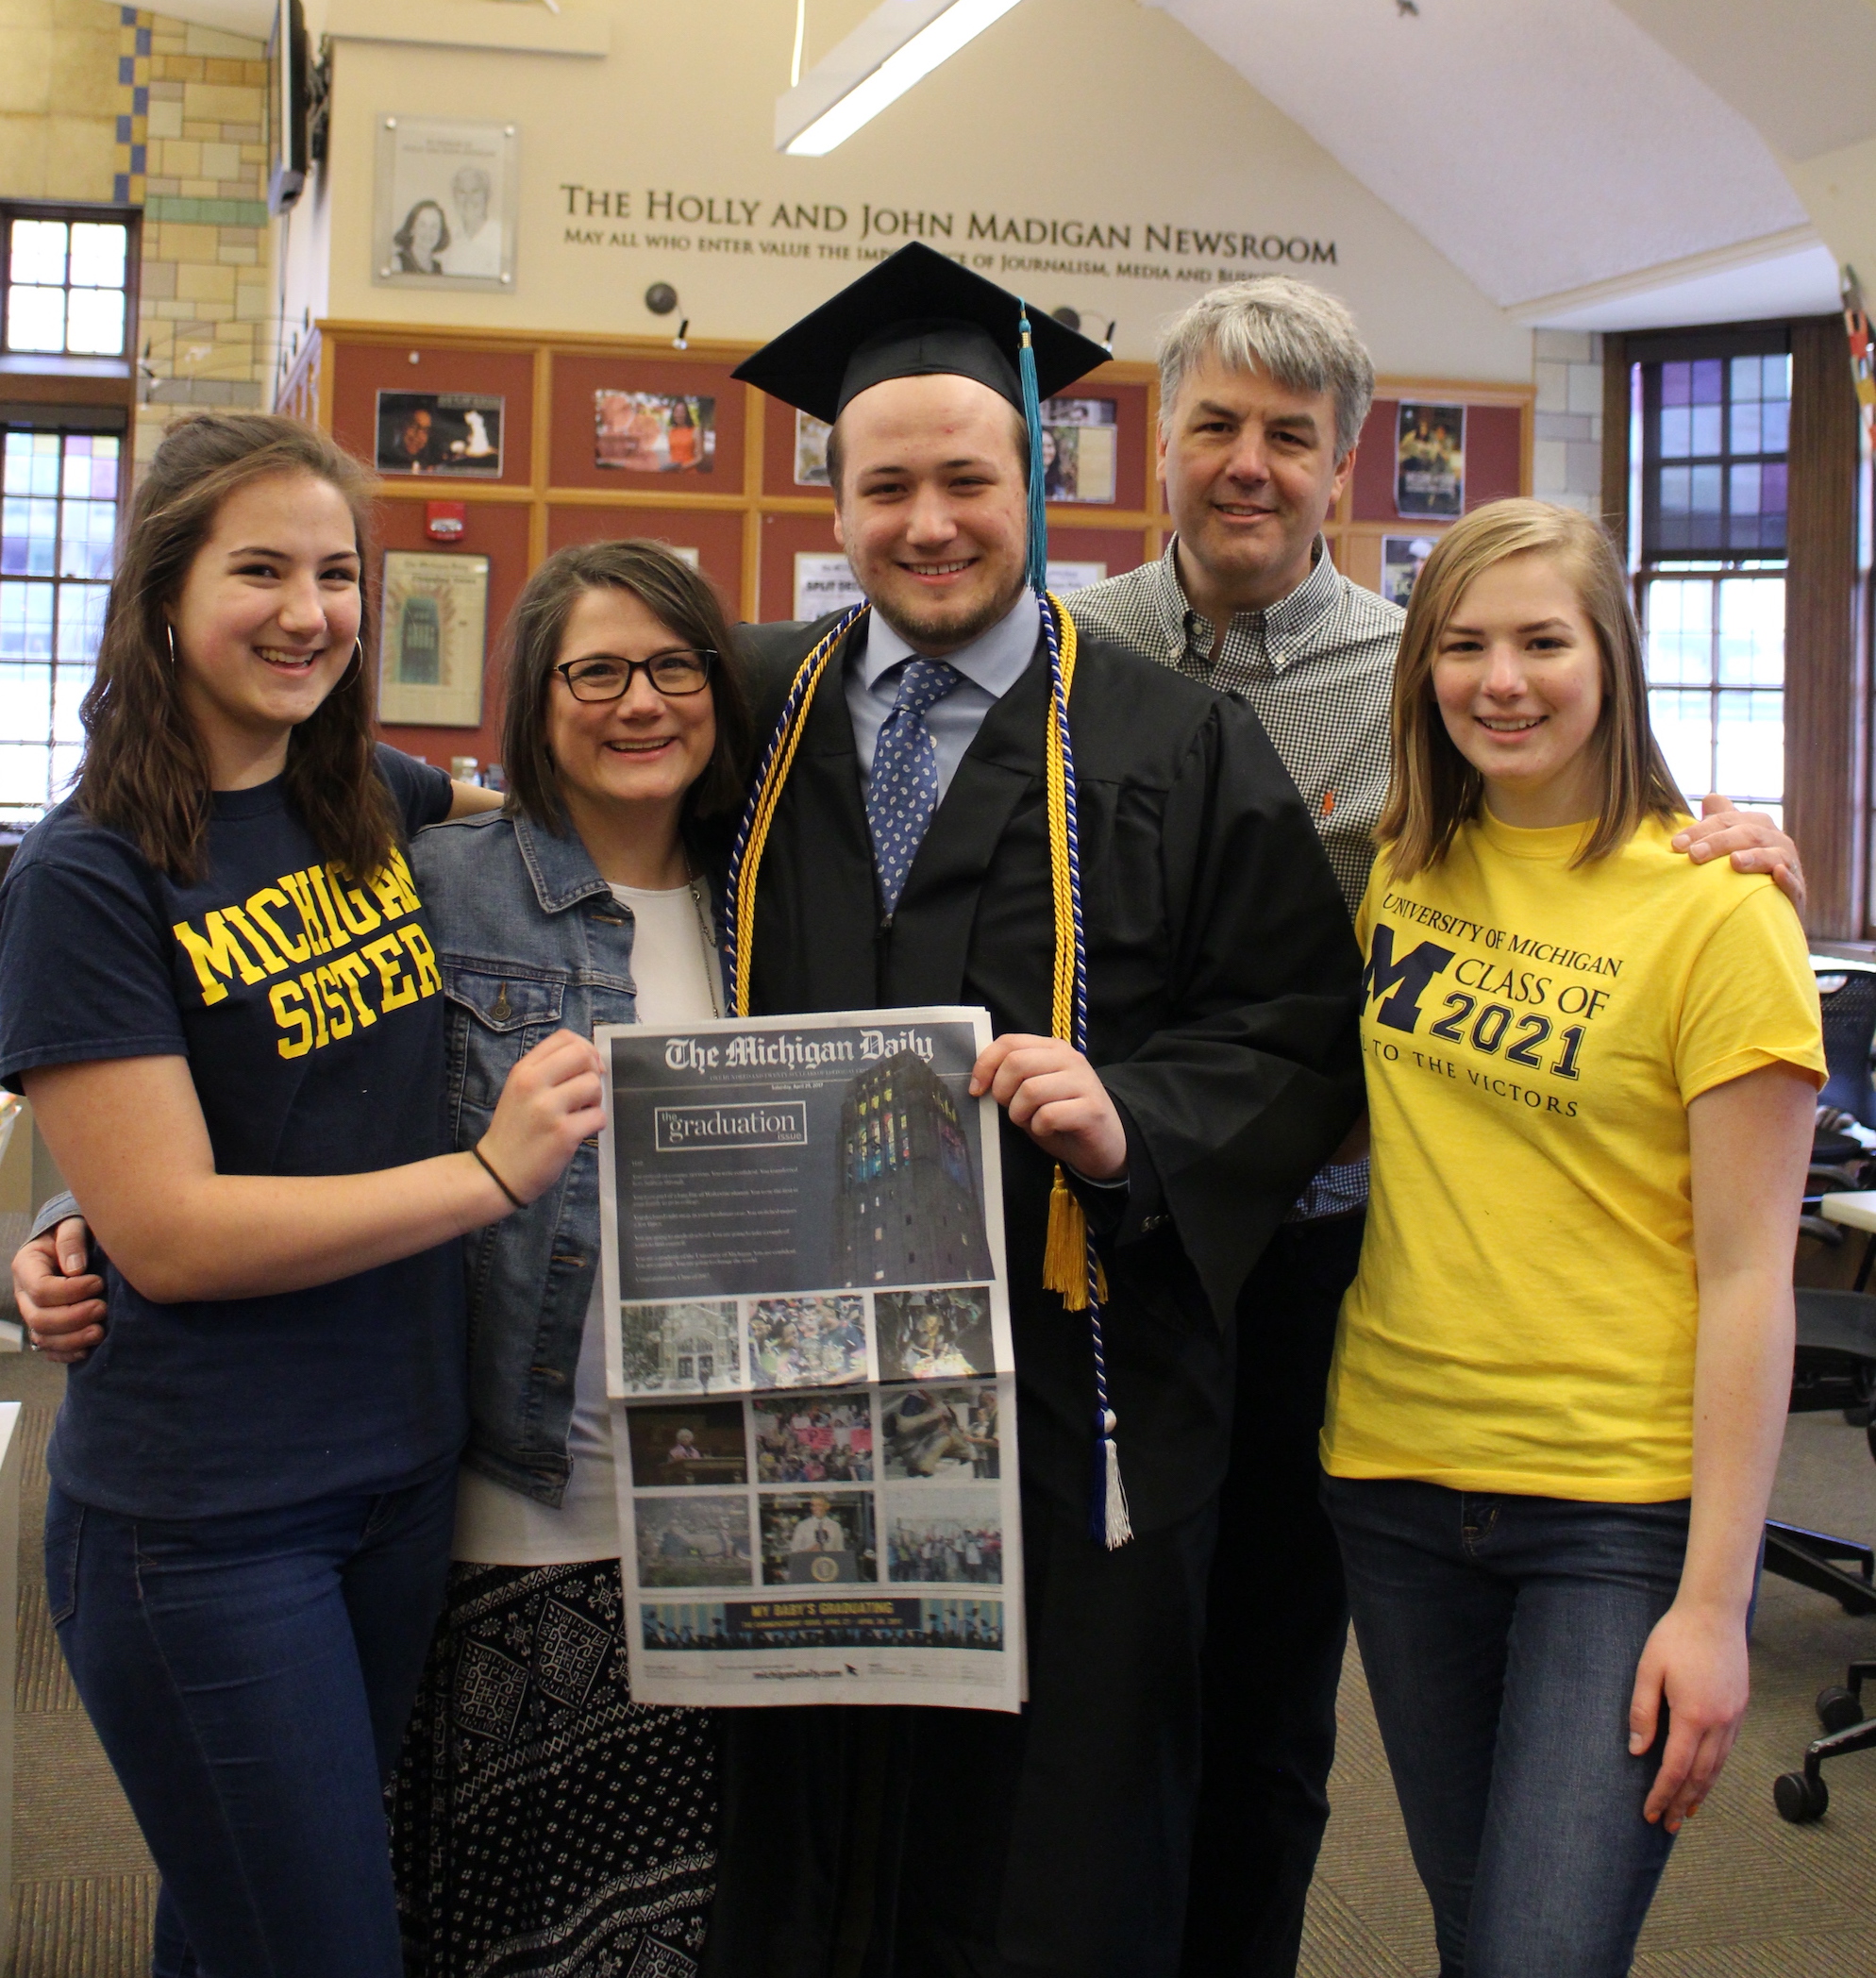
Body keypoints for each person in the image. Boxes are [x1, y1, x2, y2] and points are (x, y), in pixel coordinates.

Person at [1064, 276, 1804, 1978]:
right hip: (1214, 1314)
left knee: (1288, 1739)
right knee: (1114, 1703)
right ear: (1154, 444)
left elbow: (1603, 843)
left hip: (1406, 1335)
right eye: (1214, 427)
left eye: (1290, 438)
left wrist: (1743, 846)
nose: (1246, 464)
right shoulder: (1083, 660)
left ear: (1339, 470)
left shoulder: (1438, 708)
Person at [701, 243, 1365, 1978]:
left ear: (1036, 482)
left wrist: (1132, 1114)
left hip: (1084, 1386)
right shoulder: (746, 715)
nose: (930, 521)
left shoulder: (1170, 739)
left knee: (1061, 1832)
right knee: (810, 1793)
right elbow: (516, 878)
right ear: (830, 496)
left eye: (967, 480)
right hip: (800, 1375)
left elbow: (1297, 1026)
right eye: (887, 484)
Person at [0, 412, 603, 1978]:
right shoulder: (88, 875)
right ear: (162, 596)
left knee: (245, 1916)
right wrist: (485, 1175)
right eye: (258, 569)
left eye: (337, 572)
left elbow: (559, 828)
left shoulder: (366, 796)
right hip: (207, 1515)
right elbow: (177, 1236)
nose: (309, 611)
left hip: (399, 1479)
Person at [1319, 497, 1823, 1973]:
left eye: (1544, 640)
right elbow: (1363, 1125)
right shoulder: (1407, 866)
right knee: (1479, 1931)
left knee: (1539, 1948)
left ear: (1613, 658)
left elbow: (1749, 1280)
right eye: (1463, 645)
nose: (1503, 679)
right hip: (1395, 1474)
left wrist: (1721, 1608)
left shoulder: (1721, 912)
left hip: (1613, 1510)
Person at [389, 539, 750, 1975]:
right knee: (522, 1921)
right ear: (535, 701)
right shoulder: (437, 888)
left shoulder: (779, 889)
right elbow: (274, 1095)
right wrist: (72, 1218)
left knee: (693, 1920)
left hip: (740, 1519)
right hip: (525, 1502)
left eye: (672, 667)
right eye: (593, 672)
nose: (638, 702)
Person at [394, 198, 450, 275]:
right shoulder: (397, 263)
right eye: (422, 225)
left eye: (434, 226)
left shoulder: (438, 268)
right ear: (412, 228)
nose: (428, 232)